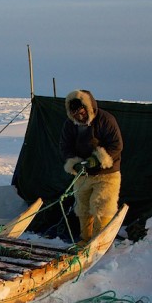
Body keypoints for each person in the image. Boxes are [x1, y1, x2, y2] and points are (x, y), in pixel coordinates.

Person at [59, 89, 123, 243]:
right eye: (75, 114)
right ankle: (85, 239)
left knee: (101, 206)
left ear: (88, 107)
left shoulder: (106, 119)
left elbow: (117, 145)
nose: (79, 116)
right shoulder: (70, 125)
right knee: (83, 207)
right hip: (84, 173)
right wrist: (74, 163)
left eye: (81, 112)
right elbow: (65, 147)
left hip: (107, 173)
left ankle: (99, 241)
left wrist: (97, 158)